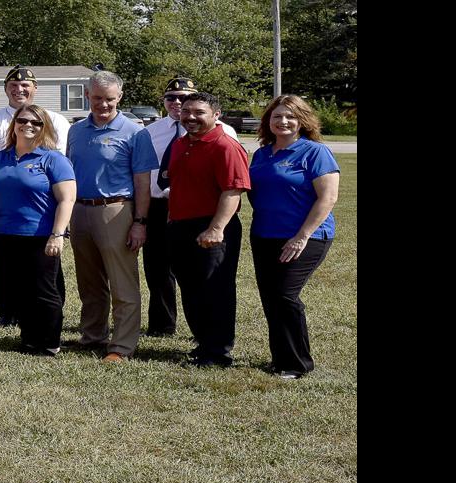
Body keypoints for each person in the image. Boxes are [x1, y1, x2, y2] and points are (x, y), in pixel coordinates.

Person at [0, 65, 72, 326]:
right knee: (3, 261)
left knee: (44, 260)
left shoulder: (55, 120)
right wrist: (5, 181)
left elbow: (61, 163)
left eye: (25, 85)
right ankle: (8, 310)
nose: (19, 89)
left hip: (41, 201)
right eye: (13, 85)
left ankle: (48, 310)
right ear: (5, 89)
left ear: (35, 89)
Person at [64, 69, 156, 363]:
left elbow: (143, 182)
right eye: (98, 98)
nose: (103, 105)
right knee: (89, 282)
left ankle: (122, 346)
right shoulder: (75, 131)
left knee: (122, 283)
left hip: (116, 211)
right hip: (80, 211)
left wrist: (139, 223)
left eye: (110, 100)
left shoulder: (135, 132)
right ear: (88, 96)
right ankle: (93, 336)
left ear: (120, 98)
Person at [248, 94, 340, 380]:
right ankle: (280, 359)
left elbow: (328, 198)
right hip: (264, 234)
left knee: (285, 295)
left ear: (303, 121)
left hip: (306, 236)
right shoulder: (262, 154)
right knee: (270, 297)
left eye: (290, 116)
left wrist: (302, 235)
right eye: (277, 116)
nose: (283, 121)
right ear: (268, 121)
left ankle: (298, 364)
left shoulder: (315, 152)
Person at [142, 75, 237, 337]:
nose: (177, 103)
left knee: (200, 274)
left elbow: (231, 182)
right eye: (171, 98)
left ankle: (209, 334)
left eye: (183, 98)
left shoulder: (224, 133)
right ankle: (162, 325)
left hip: (201, 210)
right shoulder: (151, 131)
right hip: (158, 206)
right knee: (157, 268)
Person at [166, 92, 250, 367]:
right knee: (191, 288)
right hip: (181, 226)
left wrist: (216, 229)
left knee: (216, 289)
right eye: (186, 111)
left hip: (213, 226)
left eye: (198, 112)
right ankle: (203, 343)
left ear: (216, 115)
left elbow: (233, 190)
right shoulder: (181, 144)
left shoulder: (225, 146)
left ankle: (218, 351)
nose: (190, 117)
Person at [0, 104, 75, 355]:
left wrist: (58, 234)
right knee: (18, 289)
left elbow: (67, 199)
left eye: (36, 122)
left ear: (45, 127)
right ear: (14, 124)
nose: (29, 126)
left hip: (39, 235)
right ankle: (29, 338)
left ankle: (49, 343)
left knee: (43, 290)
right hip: (4, 234)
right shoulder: (1, 157)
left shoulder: (54, 159)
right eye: (23, 120)